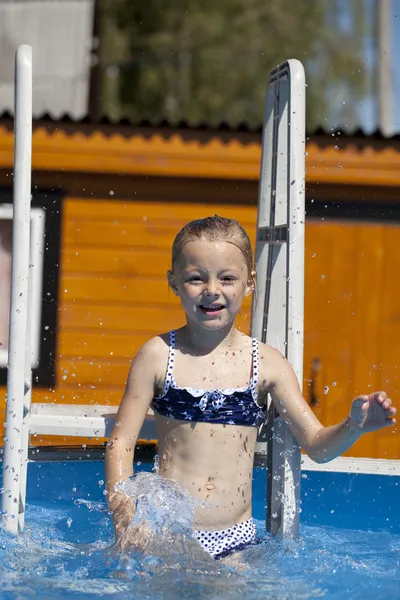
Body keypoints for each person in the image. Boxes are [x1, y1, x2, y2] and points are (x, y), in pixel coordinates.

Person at [105, 215, 397, 561]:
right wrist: (126, 521)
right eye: (196, 278)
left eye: (227, 278)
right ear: (174, 282)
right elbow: (120, 444)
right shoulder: (157, 355)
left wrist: (354, 427)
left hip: (236, 542)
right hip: (170, 536)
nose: (212, 290)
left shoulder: (267, 364)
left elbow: (317, 446)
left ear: (249, 283)